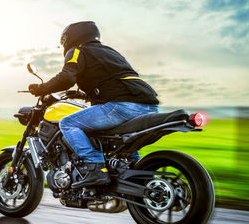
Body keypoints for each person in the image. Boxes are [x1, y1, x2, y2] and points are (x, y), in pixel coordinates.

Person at [28, 21, 159, 188]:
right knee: (120, 143)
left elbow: (67, 78)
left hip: (121, 106)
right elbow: (111, 78)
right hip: (148, 106)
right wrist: (85, 93)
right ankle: (135, 171)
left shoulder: (77, 50)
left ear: (71, 37)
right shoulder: (108, 51)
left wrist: (41, 89)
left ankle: (95, 167)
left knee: (67, 123)